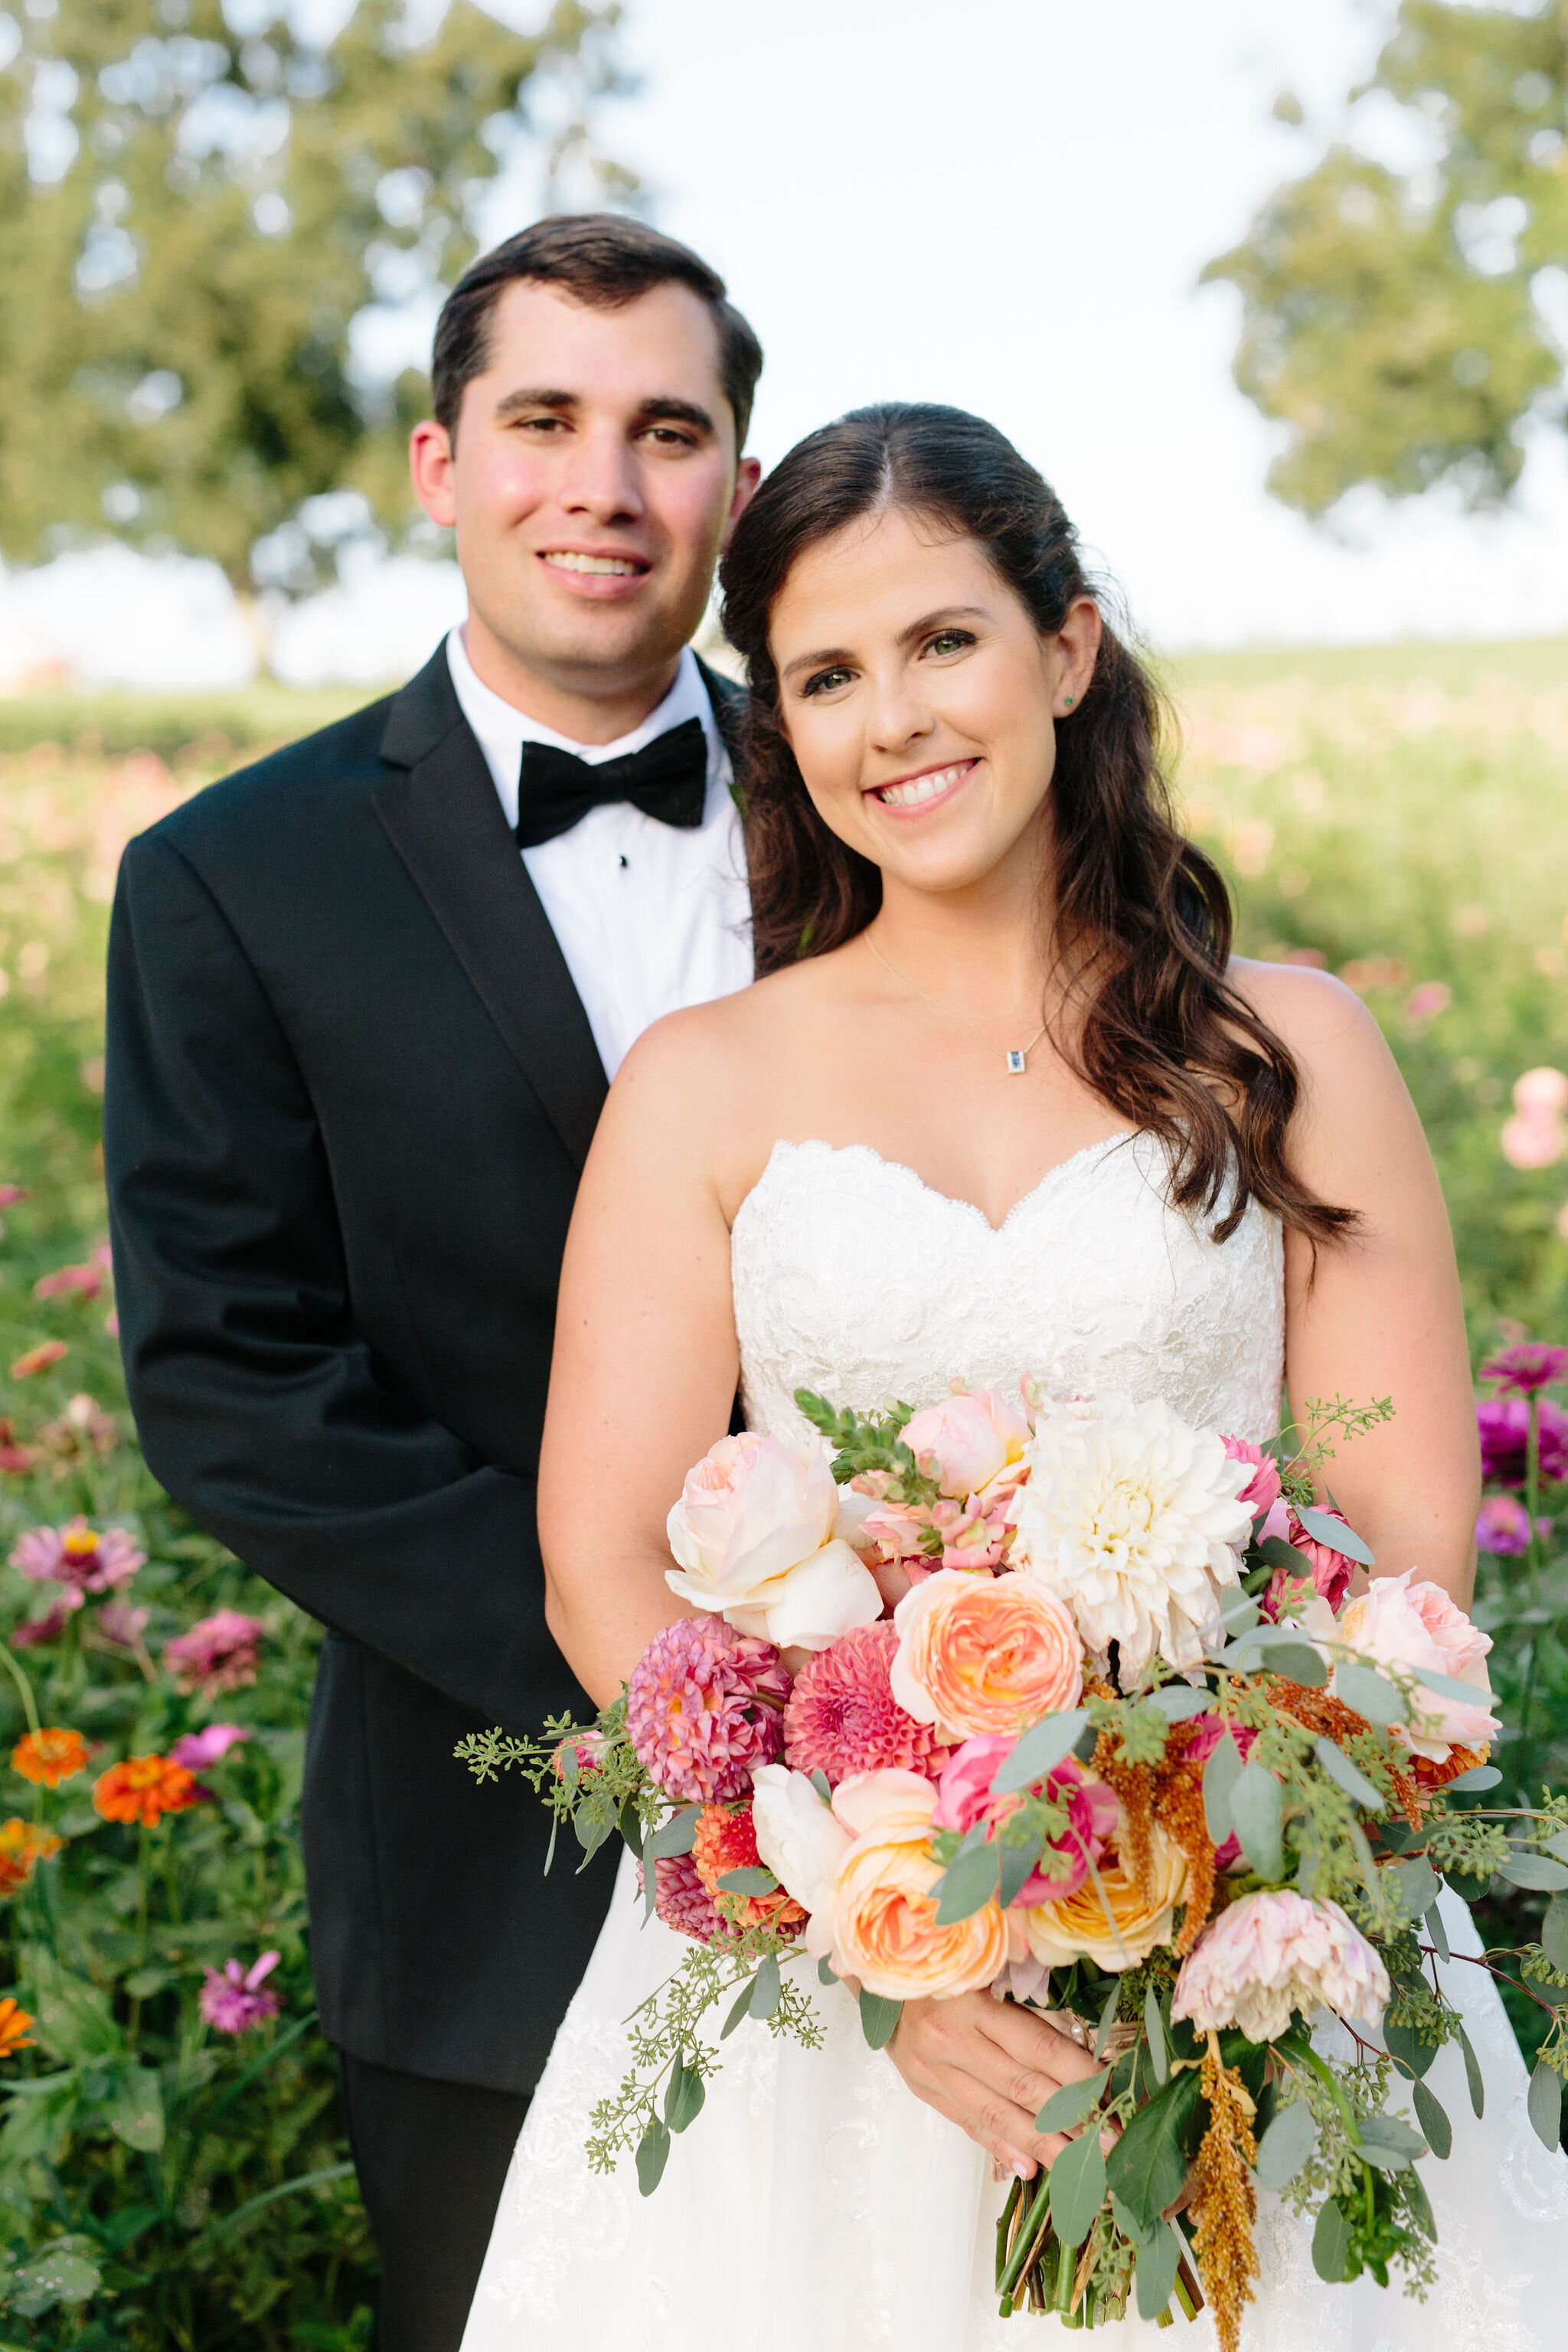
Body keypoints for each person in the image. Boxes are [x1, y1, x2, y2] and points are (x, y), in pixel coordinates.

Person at [460, 403, 1568, 2348]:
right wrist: (873, 1948)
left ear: (1065, 649)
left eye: (941, 641)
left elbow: (1405, 1543)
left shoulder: (1289, 1047)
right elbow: (602, 1562)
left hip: (1236, 1927)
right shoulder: (705, 1086)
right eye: (825, 673)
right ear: (779, 727)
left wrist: (1211, 1876)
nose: (892, 717)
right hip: (824, 1981)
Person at [103, 213, 763, 2352]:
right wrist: (671, 1691)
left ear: (740, 489)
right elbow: (234, 1378)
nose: (606, 482)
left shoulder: (900, 807)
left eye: (670, 430)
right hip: (500, 1865)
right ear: (437, 463)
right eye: (545, 420)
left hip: (967, 1808)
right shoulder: (230, 878)